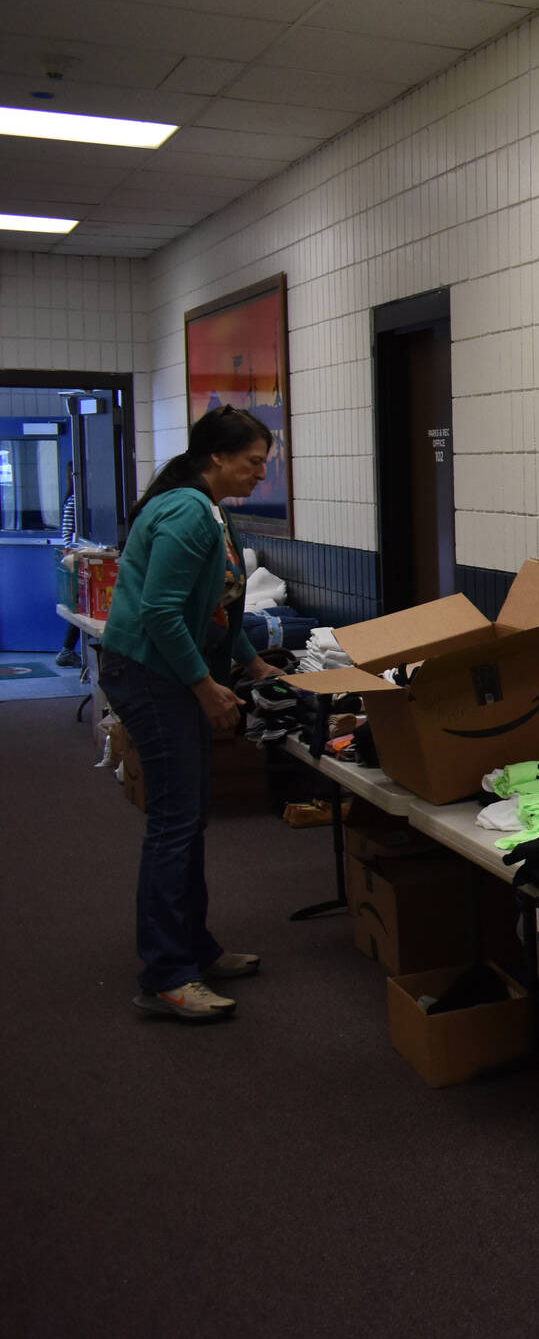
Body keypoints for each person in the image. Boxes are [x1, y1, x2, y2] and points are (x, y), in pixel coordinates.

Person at [99, 405, 284, 1021]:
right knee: (175, 822)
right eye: (254, 462)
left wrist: (255, 666)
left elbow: (219, 607)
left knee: (189, 815)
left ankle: (194, 948)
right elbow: (161, 613)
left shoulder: (209, 511)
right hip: (151, 675)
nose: (261, 473)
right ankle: (166, 974)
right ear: (217, 458)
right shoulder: (185, 512)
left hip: (168, 671)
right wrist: (206, 687)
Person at [55, 466, 83, 667]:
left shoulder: (76, 500)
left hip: (76, 558)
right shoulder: (74, 501)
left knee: (79, 606)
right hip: (75, 560)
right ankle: (66, 651)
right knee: (79, 606)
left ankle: (67, 651)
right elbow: (67, 536)